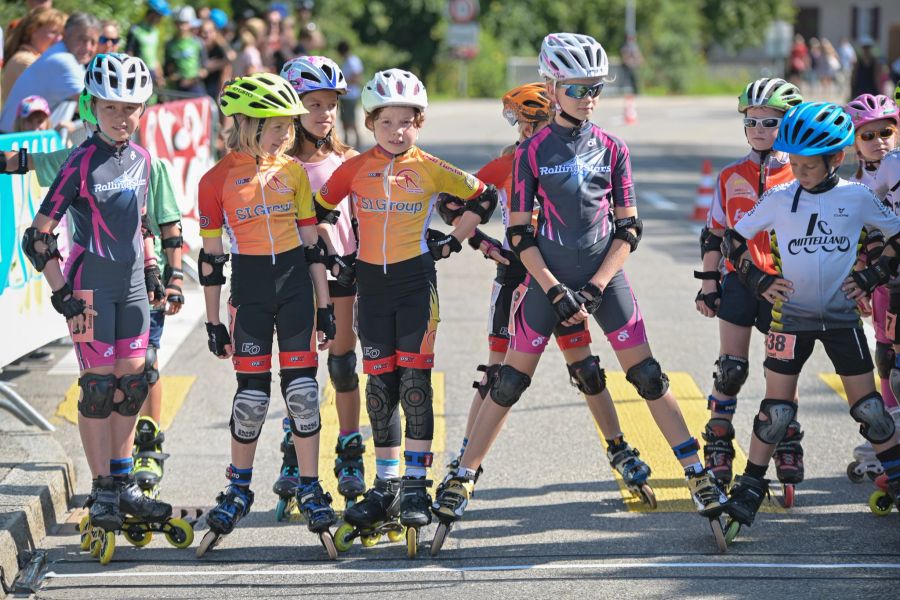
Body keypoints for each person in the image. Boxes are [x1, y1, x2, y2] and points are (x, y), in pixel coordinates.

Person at [431, 33, 727, 546]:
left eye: (595, 88)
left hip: (602, 278)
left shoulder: (614, 147)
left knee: (648, 375)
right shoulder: (529, 154)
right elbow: (520, 233)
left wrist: (593, 287)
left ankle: (696, 473)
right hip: (545, 280)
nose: (588, 97)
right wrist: (551, 288)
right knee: (507, 385)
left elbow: (629, 230)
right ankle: (463, 477)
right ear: (553, 85)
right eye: (576, 87)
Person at [313, 68, 497, 554]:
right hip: (371, 288)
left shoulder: (430, 165)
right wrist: (336, 258)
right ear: (371, 122)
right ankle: (387, 483)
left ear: (419, 123)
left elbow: (486, 196)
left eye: (407, 121)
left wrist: (452, 241)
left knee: (415, 388)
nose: (398, 131)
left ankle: (417, 484)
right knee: (381, 387)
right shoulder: (354, 168)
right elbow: (318, 211)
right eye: (387, 121)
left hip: (417, 285)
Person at [19, 52, 174, 556]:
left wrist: (152, 269)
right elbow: (38, 238)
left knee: (133, 383)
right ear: (91, 106)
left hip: (130, 287)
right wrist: (63, 292)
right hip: (88, 288)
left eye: (130, 107)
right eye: (110, 106)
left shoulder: (144, 160)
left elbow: (143, 223)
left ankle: (124, 481)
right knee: (97, 388)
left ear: (143, 109)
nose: (120, 116)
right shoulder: (79, 162)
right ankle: (102, 488)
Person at [721, 101, 900, 537]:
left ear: (835, 159)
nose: (798, 172)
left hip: (841, 319)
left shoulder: (857, 198)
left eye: (808, 166)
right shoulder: (779, 198)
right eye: (795, 164)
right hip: (790, 318)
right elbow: (732, 239)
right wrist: (760, 283)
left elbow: (897, 236)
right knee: (776, 412)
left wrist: (872, 274)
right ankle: (748, 492)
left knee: (872, 410)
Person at [196, 73, 337, 555]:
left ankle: (311, 486)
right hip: (250, 293)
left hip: (296, 290)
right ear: (244, 123)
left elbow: (313, 244)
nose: (284, 135)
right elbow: (211, 259)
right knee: (251, 401)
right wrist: (213, 320)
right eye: (274, 126)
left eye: (287, 126)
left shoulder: (294, 172)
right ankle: (237, 488)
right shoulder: (214, 181)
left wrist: (325, 307)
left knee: (302, 394)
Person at [438, 83, 552, 488]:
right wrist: (485, 244)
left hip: (563, 279)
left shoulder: (569, 160)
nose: (520, 129)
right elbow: (450, 202)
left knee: (585, 367)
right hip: (516, 276)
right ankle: (466, 457)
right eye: (517, 120)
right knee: (497, 374)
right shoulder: (508, 163)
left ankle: (620, 449)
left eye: (524, 120)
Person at [694, 78, 804, 493]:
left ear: (788, 123)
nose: (758, 129)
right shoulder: (730, 175)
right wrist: (708, 283)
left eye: (770, 122)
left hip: (786, 288)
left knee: (782, 374)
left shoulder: (800, 174)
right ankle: (719, 440)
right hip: (739, 281)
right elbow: (715, 232)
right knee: (731, 369)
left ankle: (786, 437)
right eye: (752, 121)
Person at [277, 55, 366, 513]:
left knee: (343, 365)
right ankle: (295, 449)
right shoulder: (276, 165)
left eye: (331, 104)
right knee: (301, 374)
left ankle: (349, 450)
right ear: (293, 108)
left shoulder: (348, 160)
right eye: (314, 103)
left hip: (342, 274)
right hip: (295, 276)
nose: (325, 113)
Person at [843, 93, 900, 482]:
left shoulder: (896, 165)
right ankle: (888, 435)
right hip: (882, 280)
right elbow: (856, 236)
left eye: (886, 131)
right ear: (853, 143)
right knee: (885, 358)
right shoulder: (855, 183)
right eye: (869, 135)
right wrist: (860, 278)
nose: (879, 140)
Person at [0, 12, 99, 133]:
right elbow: (93, 107)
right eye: (82, 39)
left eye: (93, 42)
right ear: (65, 34)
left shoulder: (68, 56)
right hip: (12, 144)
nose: (88, 47)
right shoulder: (63, 60)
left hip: (20, 138)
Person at [1, 7, 65, 105]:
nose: (59, 39)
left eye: (61, 34)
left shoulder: (35, 59)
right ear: (33, 32)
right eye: (53, 32)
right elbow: (59, 95)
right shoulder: (25, 61)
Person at [125, 0, 171, 89]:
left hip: (152, 73)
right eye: (160, 16)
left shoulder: (155, 31)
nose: (161, 19)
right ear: (153, 14)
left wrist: (159, 75)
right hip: (138, 72)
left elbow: (153, 56)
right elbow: (129, 53)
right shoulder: (135, 30)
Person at [164, 6, 207, 95]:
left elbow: (204, 69)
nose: (181, 27)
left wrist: (192, 79)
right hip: (177, 89)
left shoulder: (198, 43)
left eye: (184, 23)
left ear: (190, 24)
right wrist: (171, 76)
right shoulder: (169, 44)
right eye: (178, 23)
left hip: (195, 87)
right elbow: (168, 67)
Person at [199, 17, 235, 100]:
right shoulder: (198, 47)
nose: (206, 35)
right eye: (203, 32)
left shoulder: (220, 49)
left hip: (216, 91)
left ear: (216, 33)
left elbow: (231, 57)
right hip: (200, 90)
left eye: (210, 32)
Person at [336, 40, 362, 147]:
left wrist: (343, 82)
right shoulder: (347, 61)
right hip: (346, 95)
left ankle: (358, 142)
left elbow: (357, 78)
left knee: (351, 120)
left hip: (351, 95)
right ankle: (346, 141)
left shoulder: (353, 61)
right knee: (344, 120)